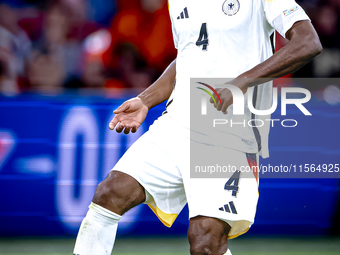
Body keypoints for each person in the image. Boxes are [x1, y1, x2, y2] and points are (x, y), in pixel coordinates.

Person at [73, 0, 322, 254]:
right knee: (109, 194)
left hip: (231, 131)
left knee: (205, 241)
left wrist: (242, 82)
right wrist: (146, 100)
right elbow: (188, 55)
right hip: (177, 122)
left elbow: (307, 42)